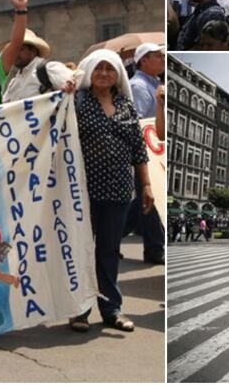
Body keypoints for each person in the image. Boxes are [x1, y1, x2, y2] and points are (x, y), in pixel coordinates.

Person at [68, 50, 154, 333]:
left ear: (118, 75)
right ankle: (79, 310)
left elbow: (138, 151)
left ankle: (111, 309)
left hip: (118, 190)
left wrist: (146, 186)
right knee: (82, 249)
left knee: (109, 249)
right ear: (90, 72)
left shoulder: (126, 106)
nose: (104, 73)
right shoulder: (76, 102)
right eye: (99, 68)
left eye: (110, 69)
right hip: (83, 190)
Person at [126, 42, 166, 265]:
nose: (162, 59)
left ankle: (110, 235)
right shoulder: (139, 86)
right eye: (157, 56)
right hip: (146, 153)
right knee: (149, 200)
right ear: (143, 60)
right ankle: (154, 248)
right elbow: (139, 122)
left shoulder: (155, 83)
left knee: (144, 200)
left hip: (155, 152)